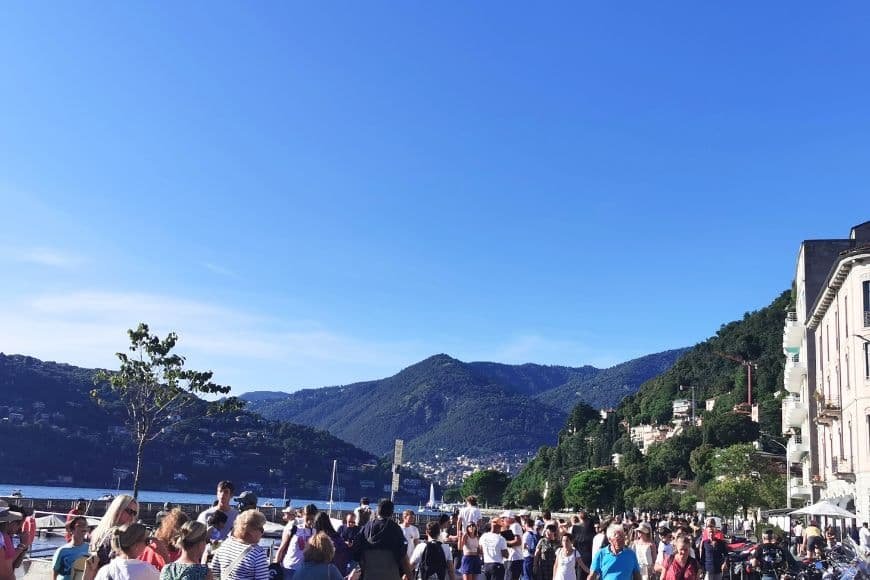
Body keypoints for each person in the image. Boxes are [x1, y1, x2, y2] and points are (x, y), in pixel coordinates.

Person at [354, 499, 411, 580]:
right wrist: (410, 577)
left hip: (369, 574)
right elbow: (403, 556)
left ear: (378, 510)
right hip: (390, 574)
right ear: (391, 512)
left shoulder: (367, 527)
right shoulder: (395, 528)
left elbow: (356, 551)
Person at [208, 509, 269, 580]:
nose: (262, 533)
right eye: (261, 529)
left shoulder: (225, 545)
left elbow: (214, 573)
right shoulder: (258, 553)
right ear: (251, 531)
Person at [87, 523, 160, 580]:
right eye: (146, 541)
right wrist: (163, 553)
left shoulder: (104, 570)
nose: (147, 545)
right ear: (136, 546)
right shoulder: (146, 570)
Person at [89, 494, 140, 567]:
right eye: (129, 511)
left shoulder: (98, 532)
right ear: (117, 510)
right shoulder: (117, 535)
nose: (132, 516)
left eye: (134, 513)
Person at [276, 503, 317, 578]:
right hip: (289, 568)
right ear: (303, 515)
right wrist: (276, 565)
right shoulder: (293, 528)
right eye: (308, 518)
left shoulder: (315, 531)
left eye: (312, 518)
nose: (310, 521)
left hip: (306, 570)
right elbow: (282, 547)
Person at [502, 512, 524, 580]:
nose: (502, 520)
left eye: (504, 518)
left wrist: (505, 543)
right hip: (513, 558)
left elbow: (518, 541)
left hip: (514, 558)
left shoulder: (514, 526)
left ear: (509, 518)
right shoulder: (513, 526)